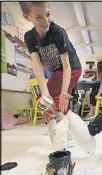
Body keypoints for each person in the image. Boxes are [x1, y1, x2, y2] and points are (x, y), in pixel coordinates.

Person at [19, 2, 82, 148]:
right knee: (47, 98)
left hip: (72, 68)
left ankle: (58, 132)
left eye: (48, 15)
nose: (45, 21)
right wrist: (45, 91)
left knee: (54, 98)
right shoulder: (30, 37)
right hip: (57, 72)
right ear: (27, 17)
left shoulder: (57, 32)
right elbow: (37, 64)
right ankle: (64, 133)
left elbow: (67, 65)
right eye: (39, 17)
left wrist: (64, 92)